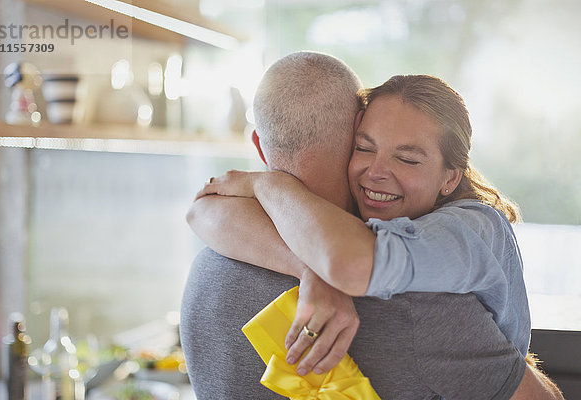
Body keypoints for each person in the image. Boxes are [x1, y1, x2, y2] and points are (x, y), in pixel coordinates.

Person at [182, 52, 563, 399]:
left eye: (407, 158)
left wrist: (268, 184)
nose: (378, 171)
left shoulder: (205, 270)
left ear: (260, 147)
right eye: (366, 148)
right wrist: (313, 270)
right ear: (352, 138)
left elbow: (200, 209)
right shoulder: (421, 304)